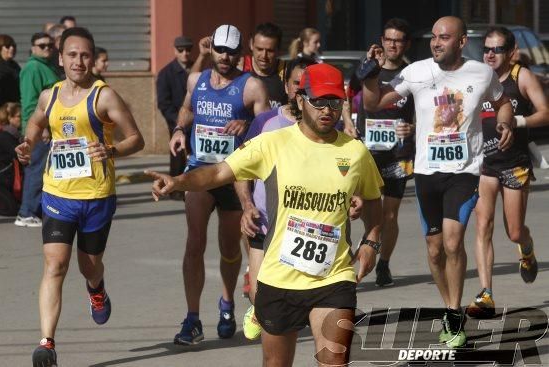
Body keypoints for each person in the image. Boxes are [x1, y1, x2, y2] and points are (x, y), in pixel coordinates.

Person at [147, 62, 383, 366]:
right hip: (279, 279)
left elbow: (374, 200)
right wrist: (178, 180)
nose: (328, 110)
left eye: (335, 102)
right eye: (319, 101)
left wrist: (371, 240)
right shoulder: (272, 143)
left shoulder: (355, 152)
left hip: (333, 278)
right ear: (300, 100)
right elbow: (220, 171)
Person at [362, 16, 514, 348]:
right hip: (427, 173)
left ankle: (455, 316)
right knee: (433, 251)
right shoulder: (416, 72)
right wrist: (371, 74)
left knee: (451, 242)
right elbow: (374, 102)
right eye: (433, 36)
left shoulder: (480, 73)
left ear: (460, 42)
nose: (436, 42)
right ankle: (449, 305)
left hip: (464, 172)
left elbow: (502, 103)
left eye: (444, 37)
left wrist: (505, 123)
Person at [15, 27, 144, 367]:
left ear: (92, 59)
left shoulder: (104, 97)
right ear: (61, 58)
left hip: (97, 195)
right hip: (58, 193)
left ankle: (96, 286)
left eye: (85, 55)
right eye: (72, 55)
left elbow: (137, 139)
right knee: (55, 264)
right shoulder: (50, 96)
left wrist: (110, 149)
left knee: (88, 266)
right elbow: (35, 123)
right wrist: (28, 143)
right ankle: (47, 343)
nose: (79, 61)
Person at [167, 24, 269, 345]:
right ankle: (193, 318)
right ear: (211, 50)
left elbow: (269, 133)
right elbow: (186, 109)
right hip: (200, 171)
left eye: (232, 51)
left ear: (241, 54)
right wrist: (179, 130)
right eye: (220, 50)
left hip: (234, 176)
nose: (225, 57)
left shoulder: (251, 87)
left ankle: (227, 303)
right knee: (194, 244)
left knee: (228, 248)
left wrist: (249, 124)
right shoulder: (196, 80)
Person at [466, 27, 549, 319]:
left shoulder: (521, 77)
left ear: (511, 52)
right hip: (484, 164)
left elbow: (545, 112)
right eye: (486, 48)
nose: (489, 54)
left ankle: (526, 249)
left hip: (514, 164)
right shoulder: (477, 77)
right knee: (482, 225)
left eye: (496, 49)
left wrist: (516, 121)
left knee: (514, 231)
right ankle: (485, 293)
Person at [235, 56, 317, 340]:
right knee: (261, 295)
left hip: (305, 227)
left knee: (294, 303)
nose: (301, 89)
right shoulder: (265, 122)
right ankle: (258, 308)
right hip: (264, 220)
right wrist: (246, 206)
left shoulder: (326, 126)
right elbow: (240, 169)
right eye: (296, 83)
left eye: (307, 85)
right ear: (285, 85)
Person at [352, 18, 416, 288]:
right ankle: (368, 248)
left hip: (398, 155)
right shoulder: (366, 69)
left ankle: (384, 265)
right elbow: (347, 100)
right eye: (388, 39)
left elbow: (426, 112)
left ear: (406, 44)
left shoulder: (413, 74)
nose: (392, 44)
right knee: (369, 214)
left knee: (389, 215)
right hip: (367, 153)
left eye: (398, 39)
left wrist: (412, 127)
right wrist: (348, 125)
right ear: (381, 41)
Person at [15, 32, 60, 227]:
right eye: (42, 46)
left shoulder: (48, 66)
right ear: (33, 48)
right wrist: (39, 129)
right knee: (37, 170)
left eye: (50, 45)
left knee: (44, 170)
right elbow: (30, 102)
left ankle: (36, 210)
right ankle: (26, 213)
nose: (47, 48)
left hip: (50, 127)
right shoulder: (33, 68)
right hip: (39, 129)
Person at [156, 36, 194, 191]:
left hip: (196, 120)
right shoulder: (166, 73)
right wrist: (177, 122)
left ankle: (192, 185)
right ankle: (175, 188)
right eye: (181, 50)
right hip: (176, 121)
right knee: (178, 153)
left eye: (188, 50)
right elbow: (163, 103)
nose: (185, 53)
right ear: (175, 51)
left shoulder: (197, 69)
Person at [242, 22, 288, 108]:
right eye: (259, 49)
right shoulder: (240, 67)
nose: (264, 56)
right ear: (251, 44)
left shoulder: (287, 72)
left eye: (270, 51)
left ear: (278, 49)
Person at [0, 102, 22, 216]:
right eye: (18, 116)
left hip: (8, 181)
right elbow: (18, 154)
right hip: (3, 183)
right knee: (11, 211)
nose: (21, 119)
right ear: (9, 118)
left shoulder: (13, 134)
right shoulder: (5, 136)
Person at [0, 34, 21, 107]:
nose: (12, 48)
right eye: (7, 46)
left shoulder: (14, 65)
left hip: (14, 107)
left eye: (13, 46)